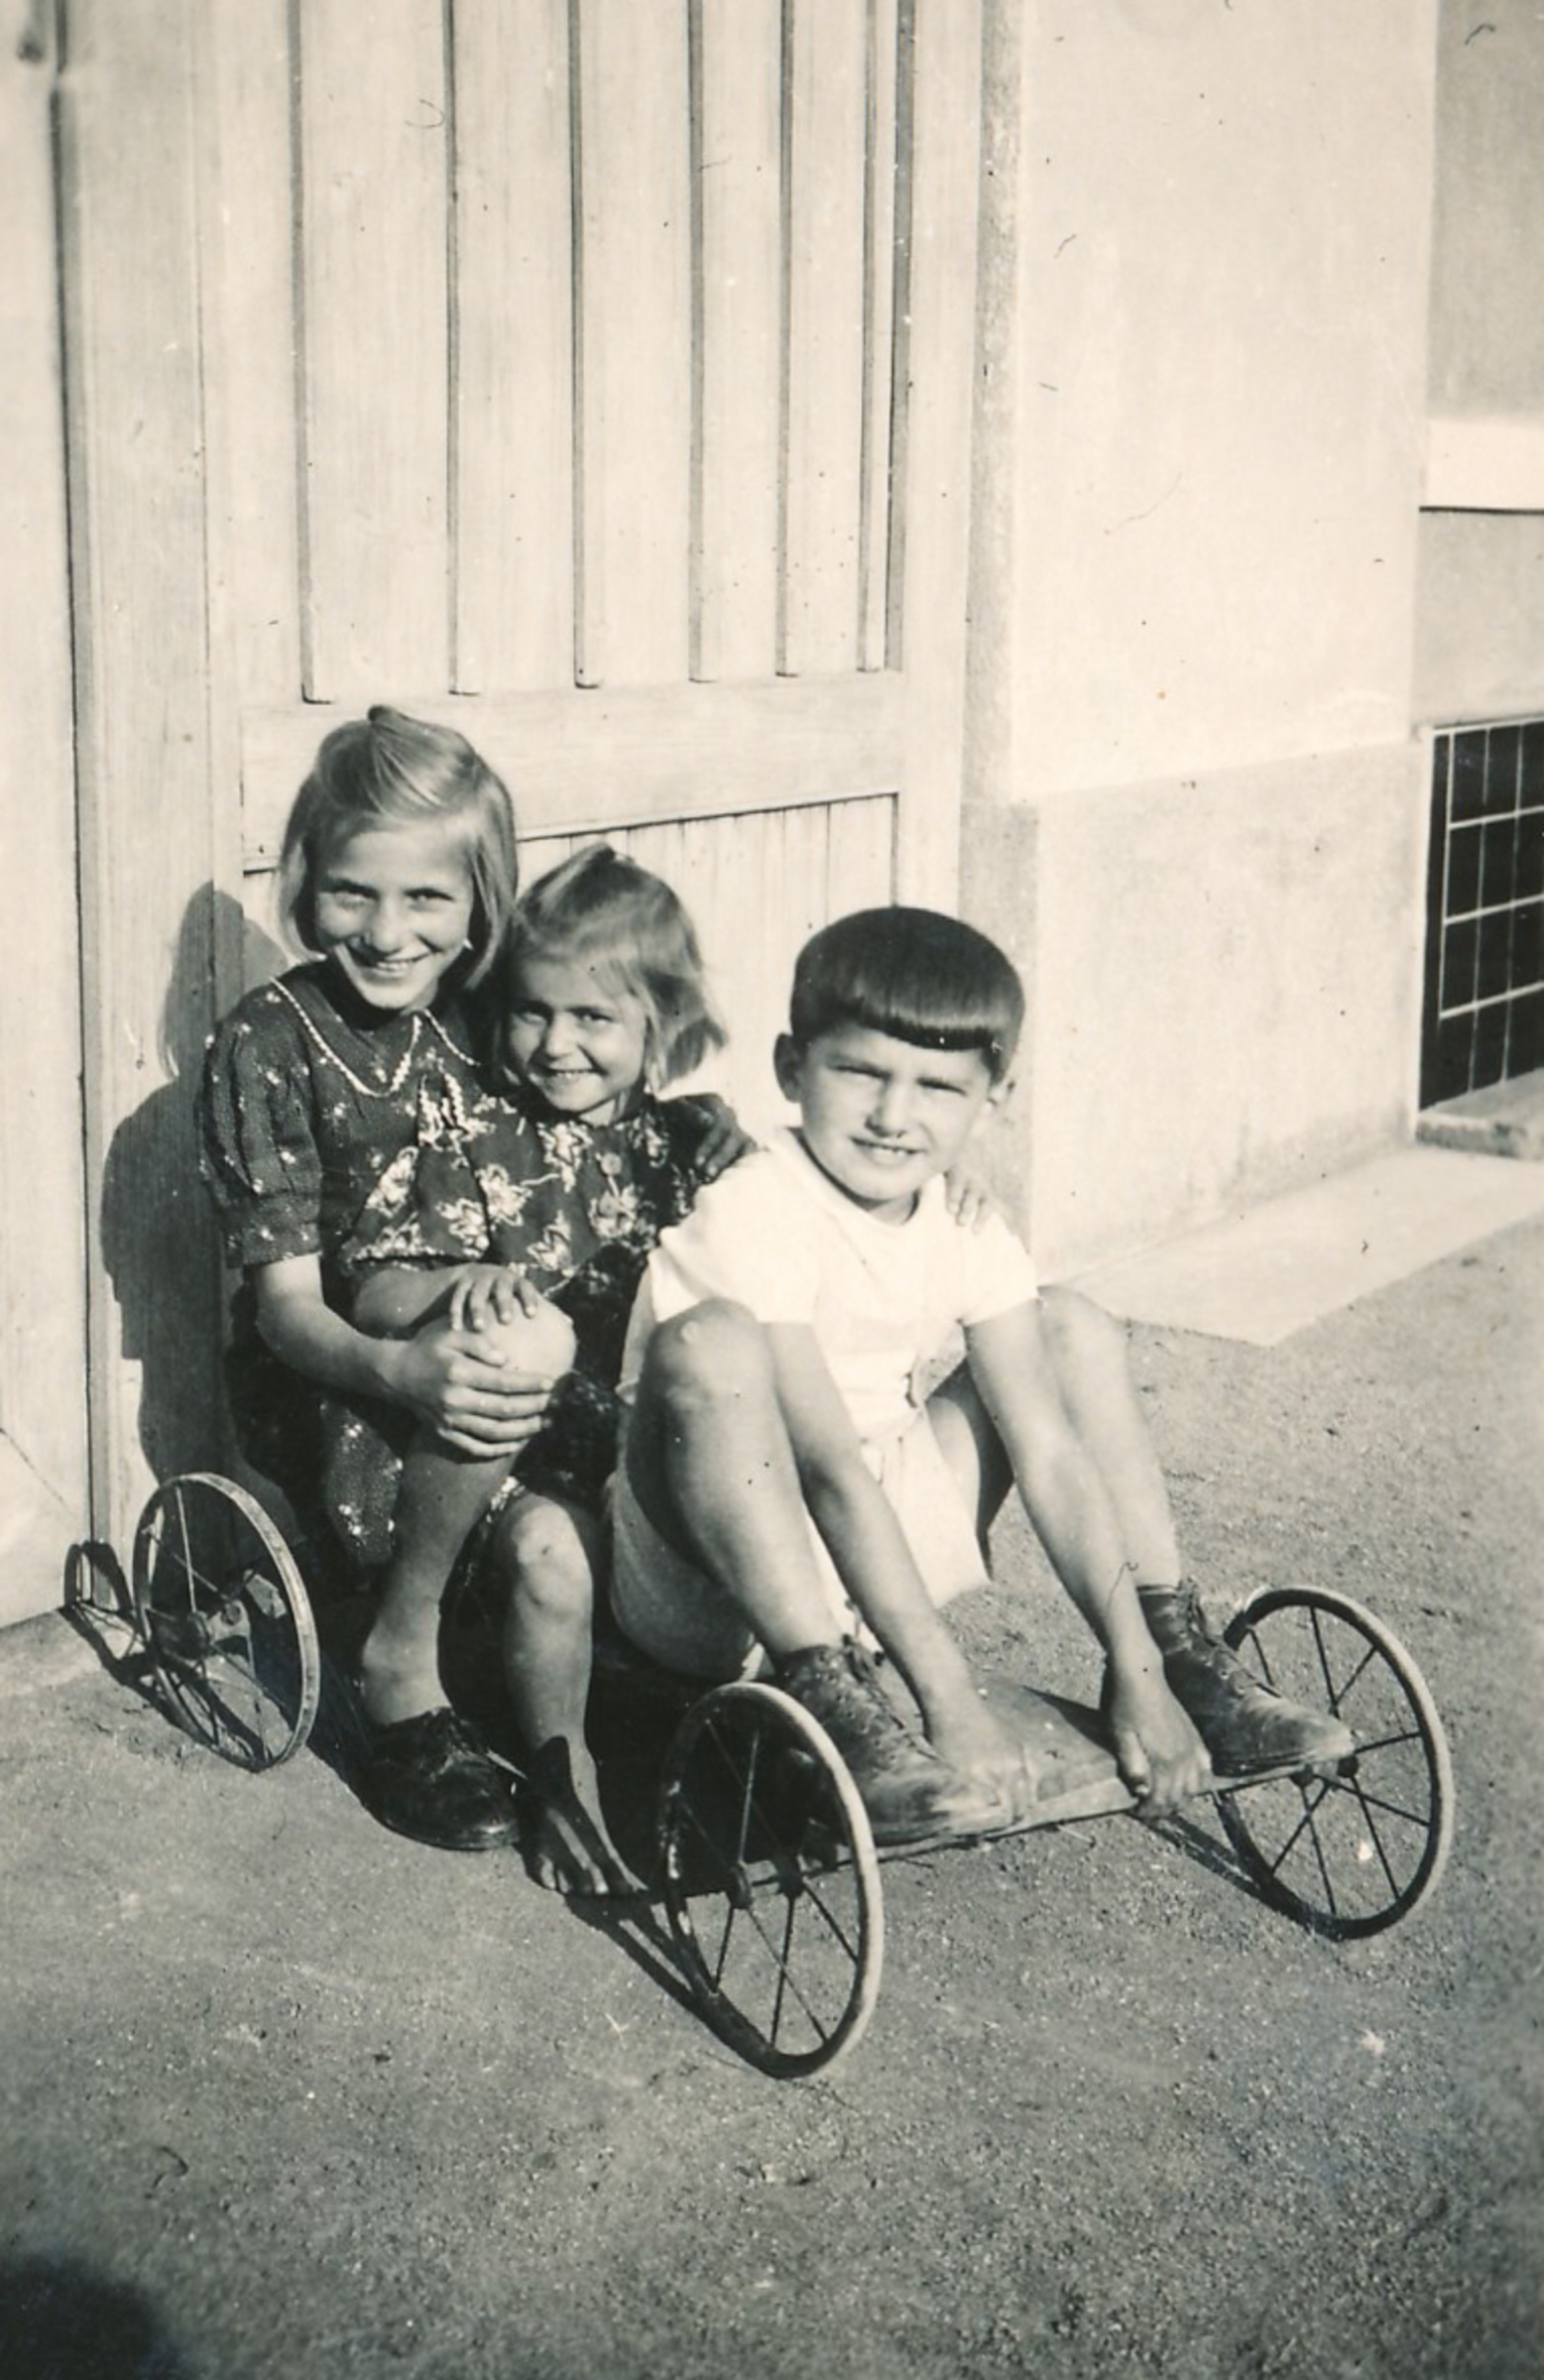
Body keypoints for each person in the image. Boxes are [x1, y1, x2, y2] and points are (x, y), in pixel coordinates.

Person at [609, 905, 1354, 1847]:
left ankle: (1178, 1654)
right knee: (713, 1343)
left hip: (864, 1550)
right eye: (859, 1073)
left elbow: (1049, 1454)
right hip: (709, 1578)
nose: (893, 1117)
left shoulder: (961, 1221)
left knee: (1068, 1326)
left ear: (990, 1100)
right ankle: (824, 1691)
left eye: (936, 1087)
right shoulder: (753, 1211)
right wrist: (948, 1699)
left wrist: (1134, 1670)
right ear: (791, 1068)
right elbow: (827, 1468)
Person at [196, 715, 731, 1878]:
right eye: (353, 892)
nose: (389, 934)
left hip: (505, 1346)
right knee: (521, 1341)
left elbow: (601, 1110)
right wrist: (400, 1369)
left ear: (483, 895)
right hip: (347, 1367)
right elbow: (289, 1310)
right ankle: (402, 1643)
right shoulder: (271, 1041)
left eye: (428, 899)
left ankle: (592, 1710)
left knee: (574, 1434)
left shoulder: (494, 1007)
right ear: (305, 880)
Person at [330, 843, 740, 1892]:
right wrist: (451, 1280)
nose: (556, 1045)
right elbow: (370, 1284)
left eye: (592, 1018)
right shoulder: (473, 1131)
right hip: (494, 1458)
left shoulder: (688, 1147)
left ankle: (774, 1725)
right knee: (556, 1561)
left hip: (635, 1449)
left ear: (661, 1023)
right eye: (531, 1012)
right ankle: (566, 1776)